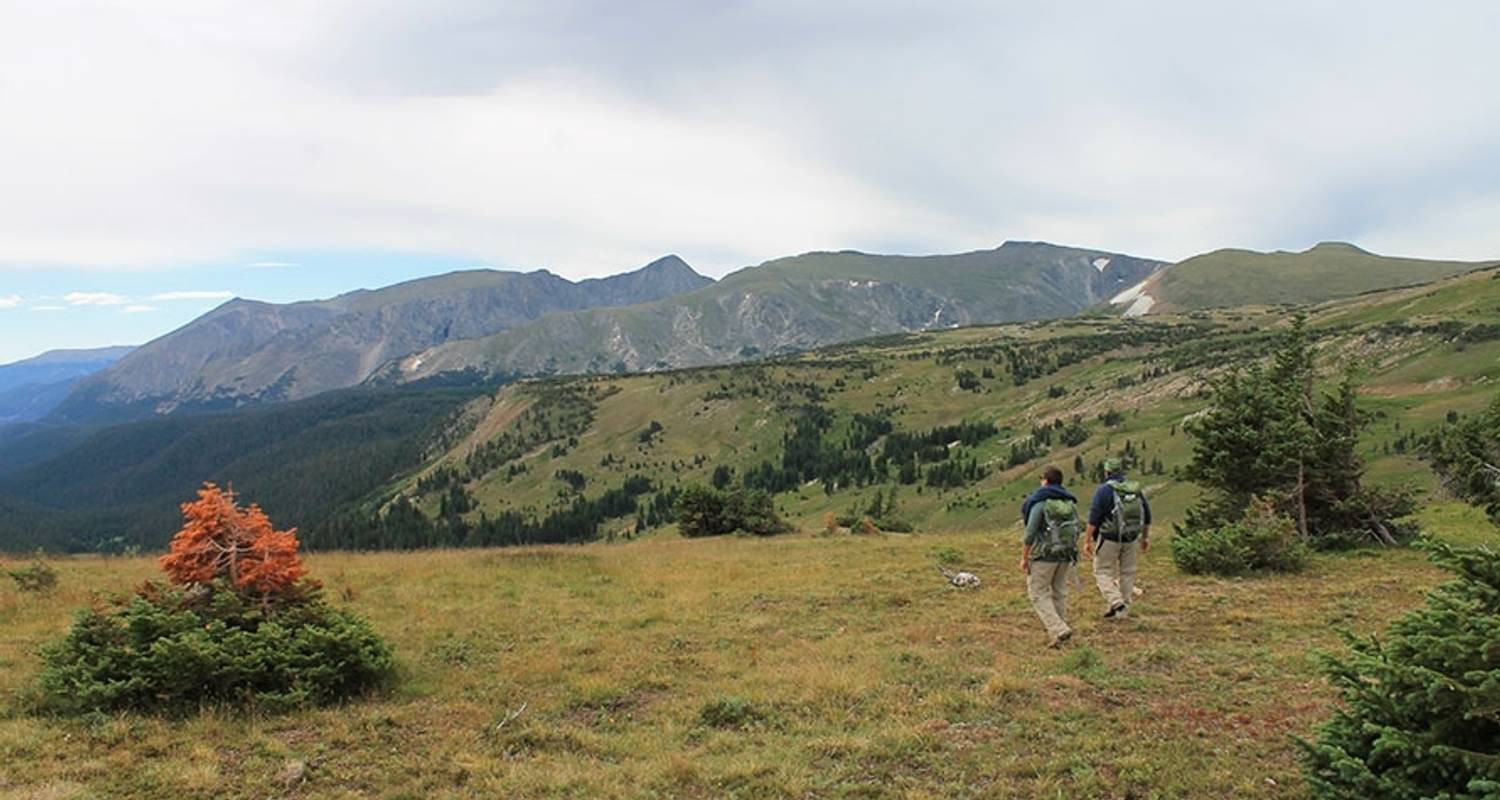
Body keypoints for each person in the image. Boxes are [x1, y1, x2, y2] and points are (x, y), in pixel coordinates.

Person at [1020, 465, 1081, 648]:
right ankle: (1058, 635)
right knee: (1059, 592)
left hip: (1044, 555)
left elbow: (1030, 532)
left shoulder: (1039, 503)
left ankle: (1058, 628)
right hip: (1065, 554)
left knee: (1038, 593)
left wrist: (1024, 556)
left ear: (1045, 480)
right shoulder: (1069, 503)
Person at [1084, 457, 1151, 619]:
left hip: (1109, 538)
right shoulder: (1134, 489)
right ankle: (1123, 610)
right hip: (1131, 537)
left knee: (1102, 571)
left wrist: (1087, 540)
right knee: (1127, 573)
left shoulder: (1104, 490)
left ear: (1106, 472)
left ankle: (1115, 601)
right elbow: (1147, 515)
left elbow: (1094, 519)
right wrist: (1145, 538)